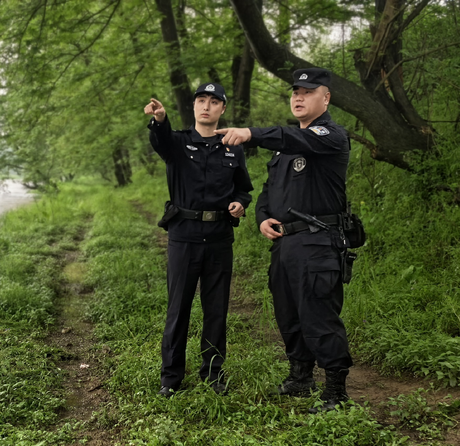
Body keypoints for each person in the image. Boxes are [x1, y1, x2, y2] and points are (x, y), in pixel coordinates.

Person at [216, 68, 353, 413]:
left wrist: (251, 133)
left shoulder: (329, 135)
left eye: (307, 92)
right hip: (285, 244)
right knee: (288, 313)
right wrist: (262, 217)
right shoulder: (284, 149)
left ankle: (336, 391)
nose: (298, 97)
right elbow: (268, 192)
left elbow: (290, 138)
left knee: (318, 315)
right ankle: (300, 376)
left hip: (318, 242)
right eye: (295, 92)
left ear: (326, 98)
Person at [144, 82, 253, 397]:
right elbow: (159, 139)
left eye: (214, 101)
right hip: (184, 237)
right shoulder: (177, 143)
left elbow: (243, 187)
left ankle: (213, 375)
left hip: (219, 238)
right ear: (193, 107)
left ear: (222, 108)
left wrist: (240, 203)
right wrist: (160, 119)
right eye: (201, 100)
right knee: (178, 309)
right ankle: (171, 379)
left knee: (216, 309)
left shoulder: (233, 147)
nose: (206, 106)